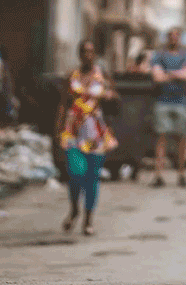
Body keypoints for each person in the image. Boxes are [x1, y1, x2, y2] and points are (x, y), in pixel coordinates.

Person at [57, 40, 118, 236]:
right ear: (79, 54)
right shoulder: (72, 76)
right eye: (84, 51)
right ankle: (74, 209)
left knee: (92, 178)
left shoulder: (102, 75)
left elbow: (116, 100)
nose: (87, 55)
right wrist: (57, 129)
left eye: (91, 51)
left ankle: (88, 219)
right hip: (73, 131)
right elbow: (63, 103)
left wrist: (109, 96)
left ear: (95, 55)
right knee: (75, 173)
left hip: (95, 132)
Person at [150, 28, 186, 188]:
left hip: (181, 101)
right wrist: (179, 74)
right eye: (171, 36)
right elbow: (157, 77)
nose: (174, 39)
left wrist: (168, 74)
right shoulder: (159, 55)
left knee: (182, 139)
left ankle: (181, 174)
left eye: (177, 36)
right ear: (167, 38)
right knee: (161, 138)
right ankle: (158, 174)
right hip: (163, 101)